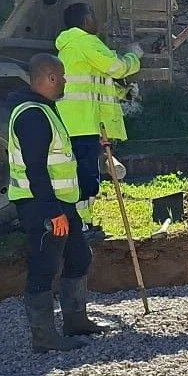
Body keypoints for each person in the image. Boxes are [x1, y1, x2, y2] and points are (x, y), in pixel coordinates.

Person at [8, 53, 115, 352]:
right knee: (44, 265)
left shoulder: (45, 110)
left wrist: (94, 146)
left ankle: (75, 321)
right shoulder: (32, 116)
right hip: (43, 206)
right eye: (63, 76)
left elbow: (61, 155)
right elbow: (36, 168)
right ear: (51, 77)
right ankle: (43, 338)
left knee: (79, 256)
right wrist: (52, 211)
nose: (66, 81)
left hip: (60, 203)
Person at [54, 3, 141, 239]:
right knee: (86, 176)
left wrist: (122, 93)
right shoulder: (85, 41)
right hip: (82, 124)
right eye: (93, 17)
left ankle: (82, 223)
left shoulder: (71, 45)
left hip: (74, 122)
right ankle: (82, 226)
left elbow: (96, 82)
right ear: (85, 21)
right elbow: (116, 68)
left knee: (78, 175)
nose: (97, 23)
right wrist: (134, 56)